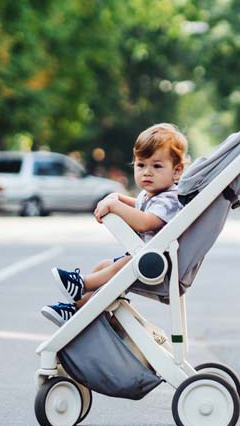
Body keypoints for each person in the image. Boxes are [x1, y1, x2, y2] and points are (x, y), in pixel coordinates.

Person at [41, 123, 187, 325]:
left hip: (155, 265)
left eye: (157, 166)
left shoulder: (170, 198)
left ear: (177, 171)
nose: (147, 172)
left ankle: (82, 284)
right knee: (104, 266)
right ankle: (76, 309)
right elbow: (140, 206)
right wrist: (119, 198)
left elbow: (146, 221)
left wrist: (114, 206)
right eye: (141, 165)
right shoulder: (154, 195)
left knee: (126, 264)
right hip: (144, 258)